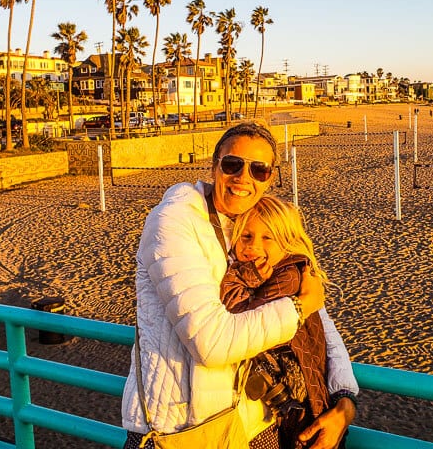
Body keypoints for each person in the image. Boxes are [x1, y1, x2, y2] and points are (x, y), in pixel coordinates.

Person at [121, 122, 358, 449]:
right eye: (233, 164)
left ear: (271, 177)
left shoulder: (254, 226)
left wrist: (345, 399)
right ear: (214, 165)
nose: (243, 177)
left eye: (258, 169)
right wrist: (298, 308)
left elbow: (318, 324)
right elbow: (211, 342)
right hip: (180, 431)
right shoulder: (174, 222)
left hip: (253, 424)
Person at [220, 195, 338, 448]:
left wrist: (243, 276)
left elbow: (240, 315)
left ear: (286, 244)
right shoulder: (281, 272)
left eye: (267, 238)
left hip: (298, 391)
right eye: (246, 236)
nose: (253, 246)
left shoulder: (289, 279)